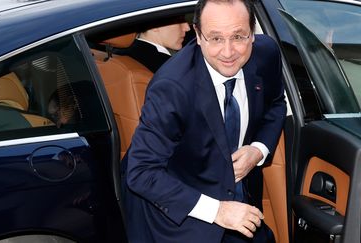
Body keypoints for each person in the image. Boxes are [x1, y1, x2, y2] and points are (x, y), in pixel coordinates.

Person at [121, 0, 287, 242]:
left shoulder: (266, 54)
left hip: (241, 206)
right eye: (216, 38)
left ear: (253, 34)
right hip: (182, 217)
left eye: (239, 36)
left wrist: (258, 150)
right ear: (198, 35)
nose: (228, 52)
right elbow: (141, 172)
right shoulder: (172, 87)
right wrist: (217, 211)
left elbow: (276, 104)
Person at [120, 17, 191, 72]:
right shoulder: (169, 67)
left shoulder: (123, 55)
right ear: (155, 25)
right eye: (179, 20)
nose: (187, 28)